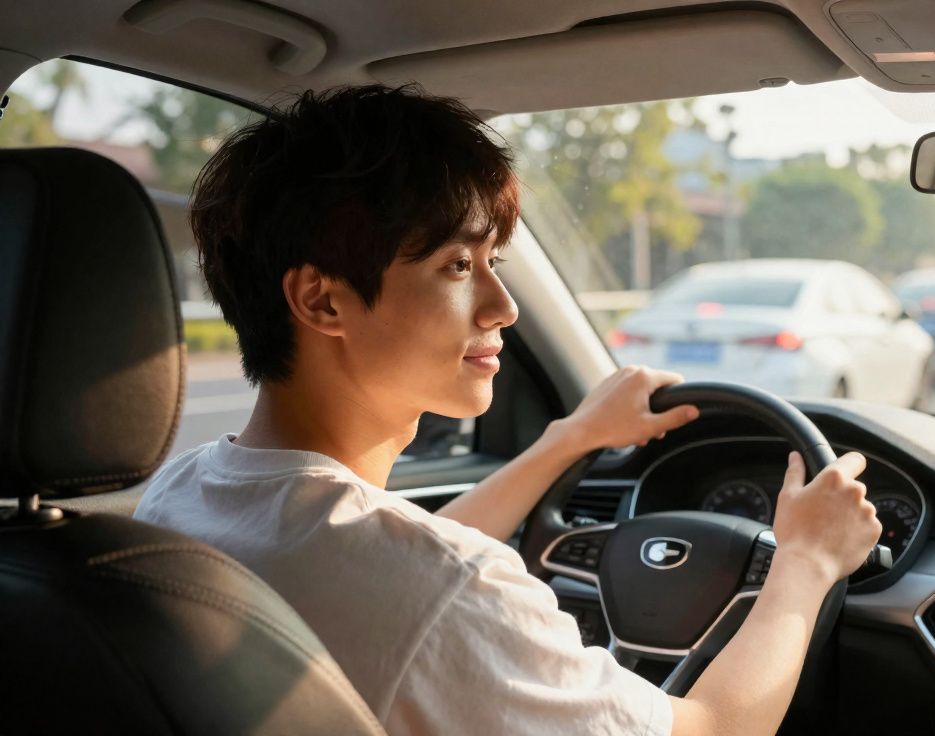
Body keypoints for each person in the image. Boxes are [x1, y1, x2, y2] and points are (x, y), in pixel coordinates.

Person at [134, 85, 882, 736]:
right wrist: (806, 562)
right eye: (458, 265)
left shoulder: (182, 497)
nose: (504, 306)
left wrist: (570, 440)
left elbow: (402, 565)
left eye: (494, 262)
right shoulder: (443, 587)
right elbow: (712, 729)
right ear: (322, 300)